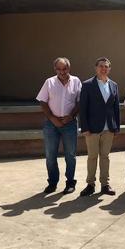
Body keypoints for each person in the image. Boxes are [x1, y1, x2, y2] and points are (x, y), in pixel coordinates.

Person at [36, 57, 81, 195]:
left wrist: (71, 116)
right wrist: (52, 118)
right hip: (51, 124)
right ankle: (52, 183)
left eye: (65, 68)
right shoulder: (49, 82)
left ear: (69, 68)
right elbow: (43, 101)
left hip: (70, 123)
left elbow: (79, 102)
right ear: (55, 69)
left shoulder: (76, 81)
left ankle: (70, 183)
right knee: (50, 155)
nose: (62, 71)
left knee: (70, 155)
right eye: (59, 69)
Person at [78, 57, 121, 197]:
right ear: (96, 68)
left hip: (109, 128)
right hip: (92, 129)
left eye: (106, 66)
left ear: (109, 69)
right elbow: (82, 108)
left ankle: (105, 185)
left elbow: (116, 109)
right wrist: (84, 128)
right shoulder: (87, 85)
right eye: (101, 66)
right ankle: (90, 184)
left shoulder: (113, 85)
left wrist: (116, 127)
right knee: (92, 157)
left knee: (105, 157)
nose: (103, 69)